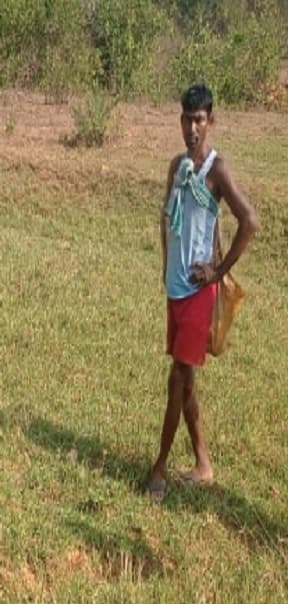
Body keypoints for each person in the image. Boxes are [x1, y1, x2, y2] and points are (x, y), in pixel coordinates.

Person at [147, 83, 258, 503]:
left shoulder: (216, 170)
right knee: (187, 381)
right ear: (180, 121)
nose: (193, 128)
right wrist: (164, 265)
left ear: (210, 122)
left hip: (197, 293)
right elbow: (165, 216)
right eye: (187, 119)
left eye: (200, 119)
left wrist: (217, 272)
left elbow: (250, 221)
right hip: (175, 289)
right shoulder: (177, 166)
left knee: (177, 378)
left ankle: (158, 467)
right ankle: (204, 464)